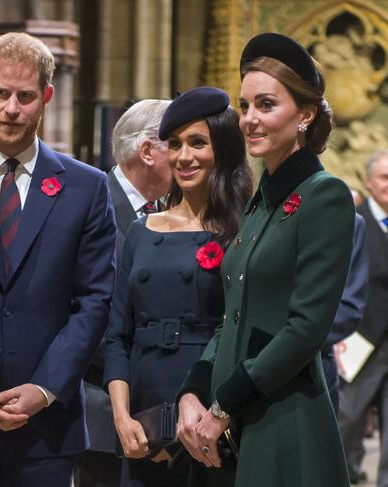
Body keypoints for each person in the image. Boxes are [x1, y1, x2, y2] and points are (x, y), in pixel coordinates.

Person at [176, 32, 355, 487]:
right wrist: (193, 392)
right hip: (228, 422)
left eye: (266, 105)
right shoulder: (260, 203)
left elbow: (305, 329)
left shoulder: (324, 196)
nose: (249, 119)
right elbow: (231, 315)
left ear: (306, 114)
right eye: (244, 105)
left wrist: (223, 406)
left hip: (282, 420)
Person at [0, 32, 116, 486]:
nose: (12, 109)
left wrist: (45, 388)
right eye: (1, 94)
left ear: (46, 97)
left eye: (25, 96)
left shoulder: (86, 187)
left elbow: (95, 300)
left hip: (48, 424)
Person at [104, 87, 252, 487]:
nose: (184, 156)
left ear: (222, 148)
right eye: (175, 144)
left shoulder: (246, 231)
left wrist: (215, 415)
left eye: (197, 143)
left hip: (212, 418)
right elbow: (118, 335)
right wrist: (121, 417)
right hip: (142, 423)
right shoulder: (141, 230)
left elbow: (244, 335)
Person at [75, 99, 172, 487]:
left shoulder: (176, 212)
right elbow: (79, 311)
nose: (187, 157)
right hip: (100, 405)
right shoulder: (88, 204)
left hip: (163, 409)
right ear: (148, 151)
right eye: (177, 144)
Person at [339, 149, 388, 487]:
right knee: (347, 418)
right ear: (369, 182)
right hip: (361, 337)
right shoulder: (353, 221)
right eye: (385, 178)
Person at [321, 211, 367, 415]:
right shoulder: (258, 213)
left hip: (316, 362)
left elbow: (349, 307)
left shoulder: (349, 221)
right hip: (254, 365)